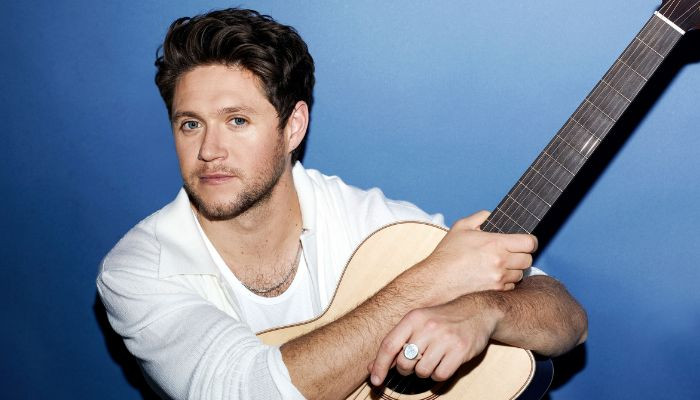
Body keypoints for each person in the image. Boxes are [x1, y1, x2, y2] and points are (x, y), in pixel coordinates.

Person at [97, 7, 587, 400]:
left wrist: (487, 311)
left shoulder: (366, 223)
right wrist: (431, 281)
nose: (209, 150)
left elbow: (567, 320)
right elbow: (246, 392)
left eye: (237, 121)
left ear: (293, 127)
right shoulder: (138, 270)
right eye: (190, 124)